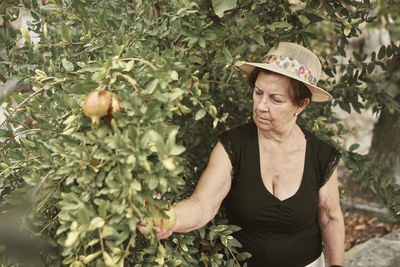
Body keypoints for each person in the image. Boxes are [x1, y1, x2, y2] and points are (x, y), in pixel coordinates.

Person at [138, 42, 345, 267]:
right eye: (258, 93)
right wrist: (168, 220)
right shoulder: (233, 147)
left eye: (275, 99)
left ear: (301, 105)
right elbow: (201, 206)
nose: (261, 106)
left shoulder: (321, 156)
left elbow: (330, 217)